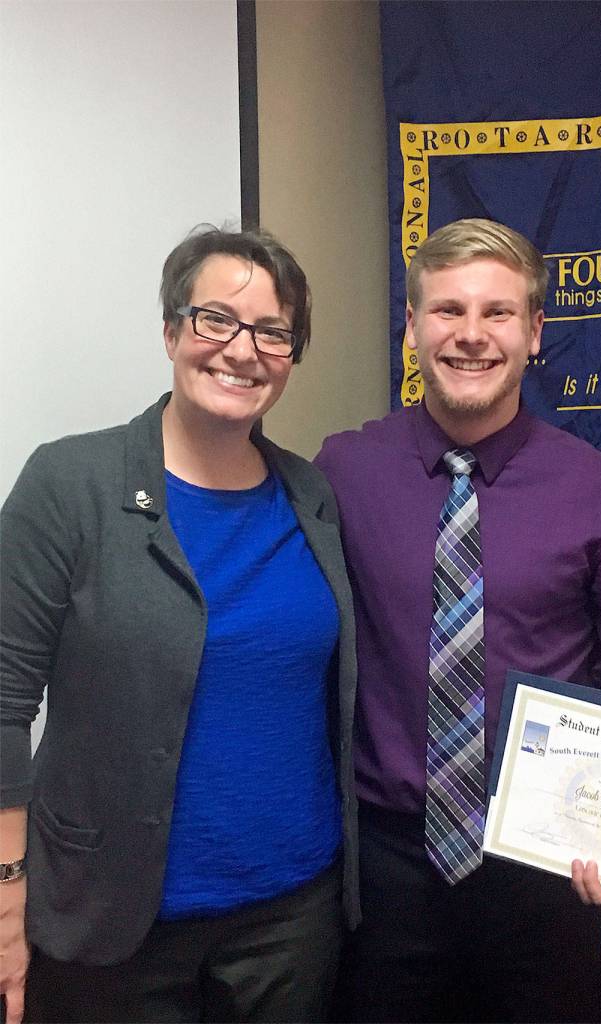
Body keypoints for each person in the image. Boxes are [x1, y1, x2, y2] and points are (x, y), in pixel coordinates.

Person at [315, 218, 601, 1023]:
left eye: (497, 313)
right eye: (448, 311)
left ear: (534, 333)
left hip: (544, 872)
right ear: (412, 328)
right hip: (382, 870)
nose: (472, 335)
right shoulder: (343, 472)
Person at [0, 227, 359, 1024]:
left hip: (291, 924)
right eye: (216, 320)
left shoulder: (313, 498)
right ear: (171, 330)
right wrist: (5, 891)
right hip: (111, 924)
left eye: (273, 332)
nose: (243, 350)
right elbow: (2, 700)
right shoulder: (69, 485)